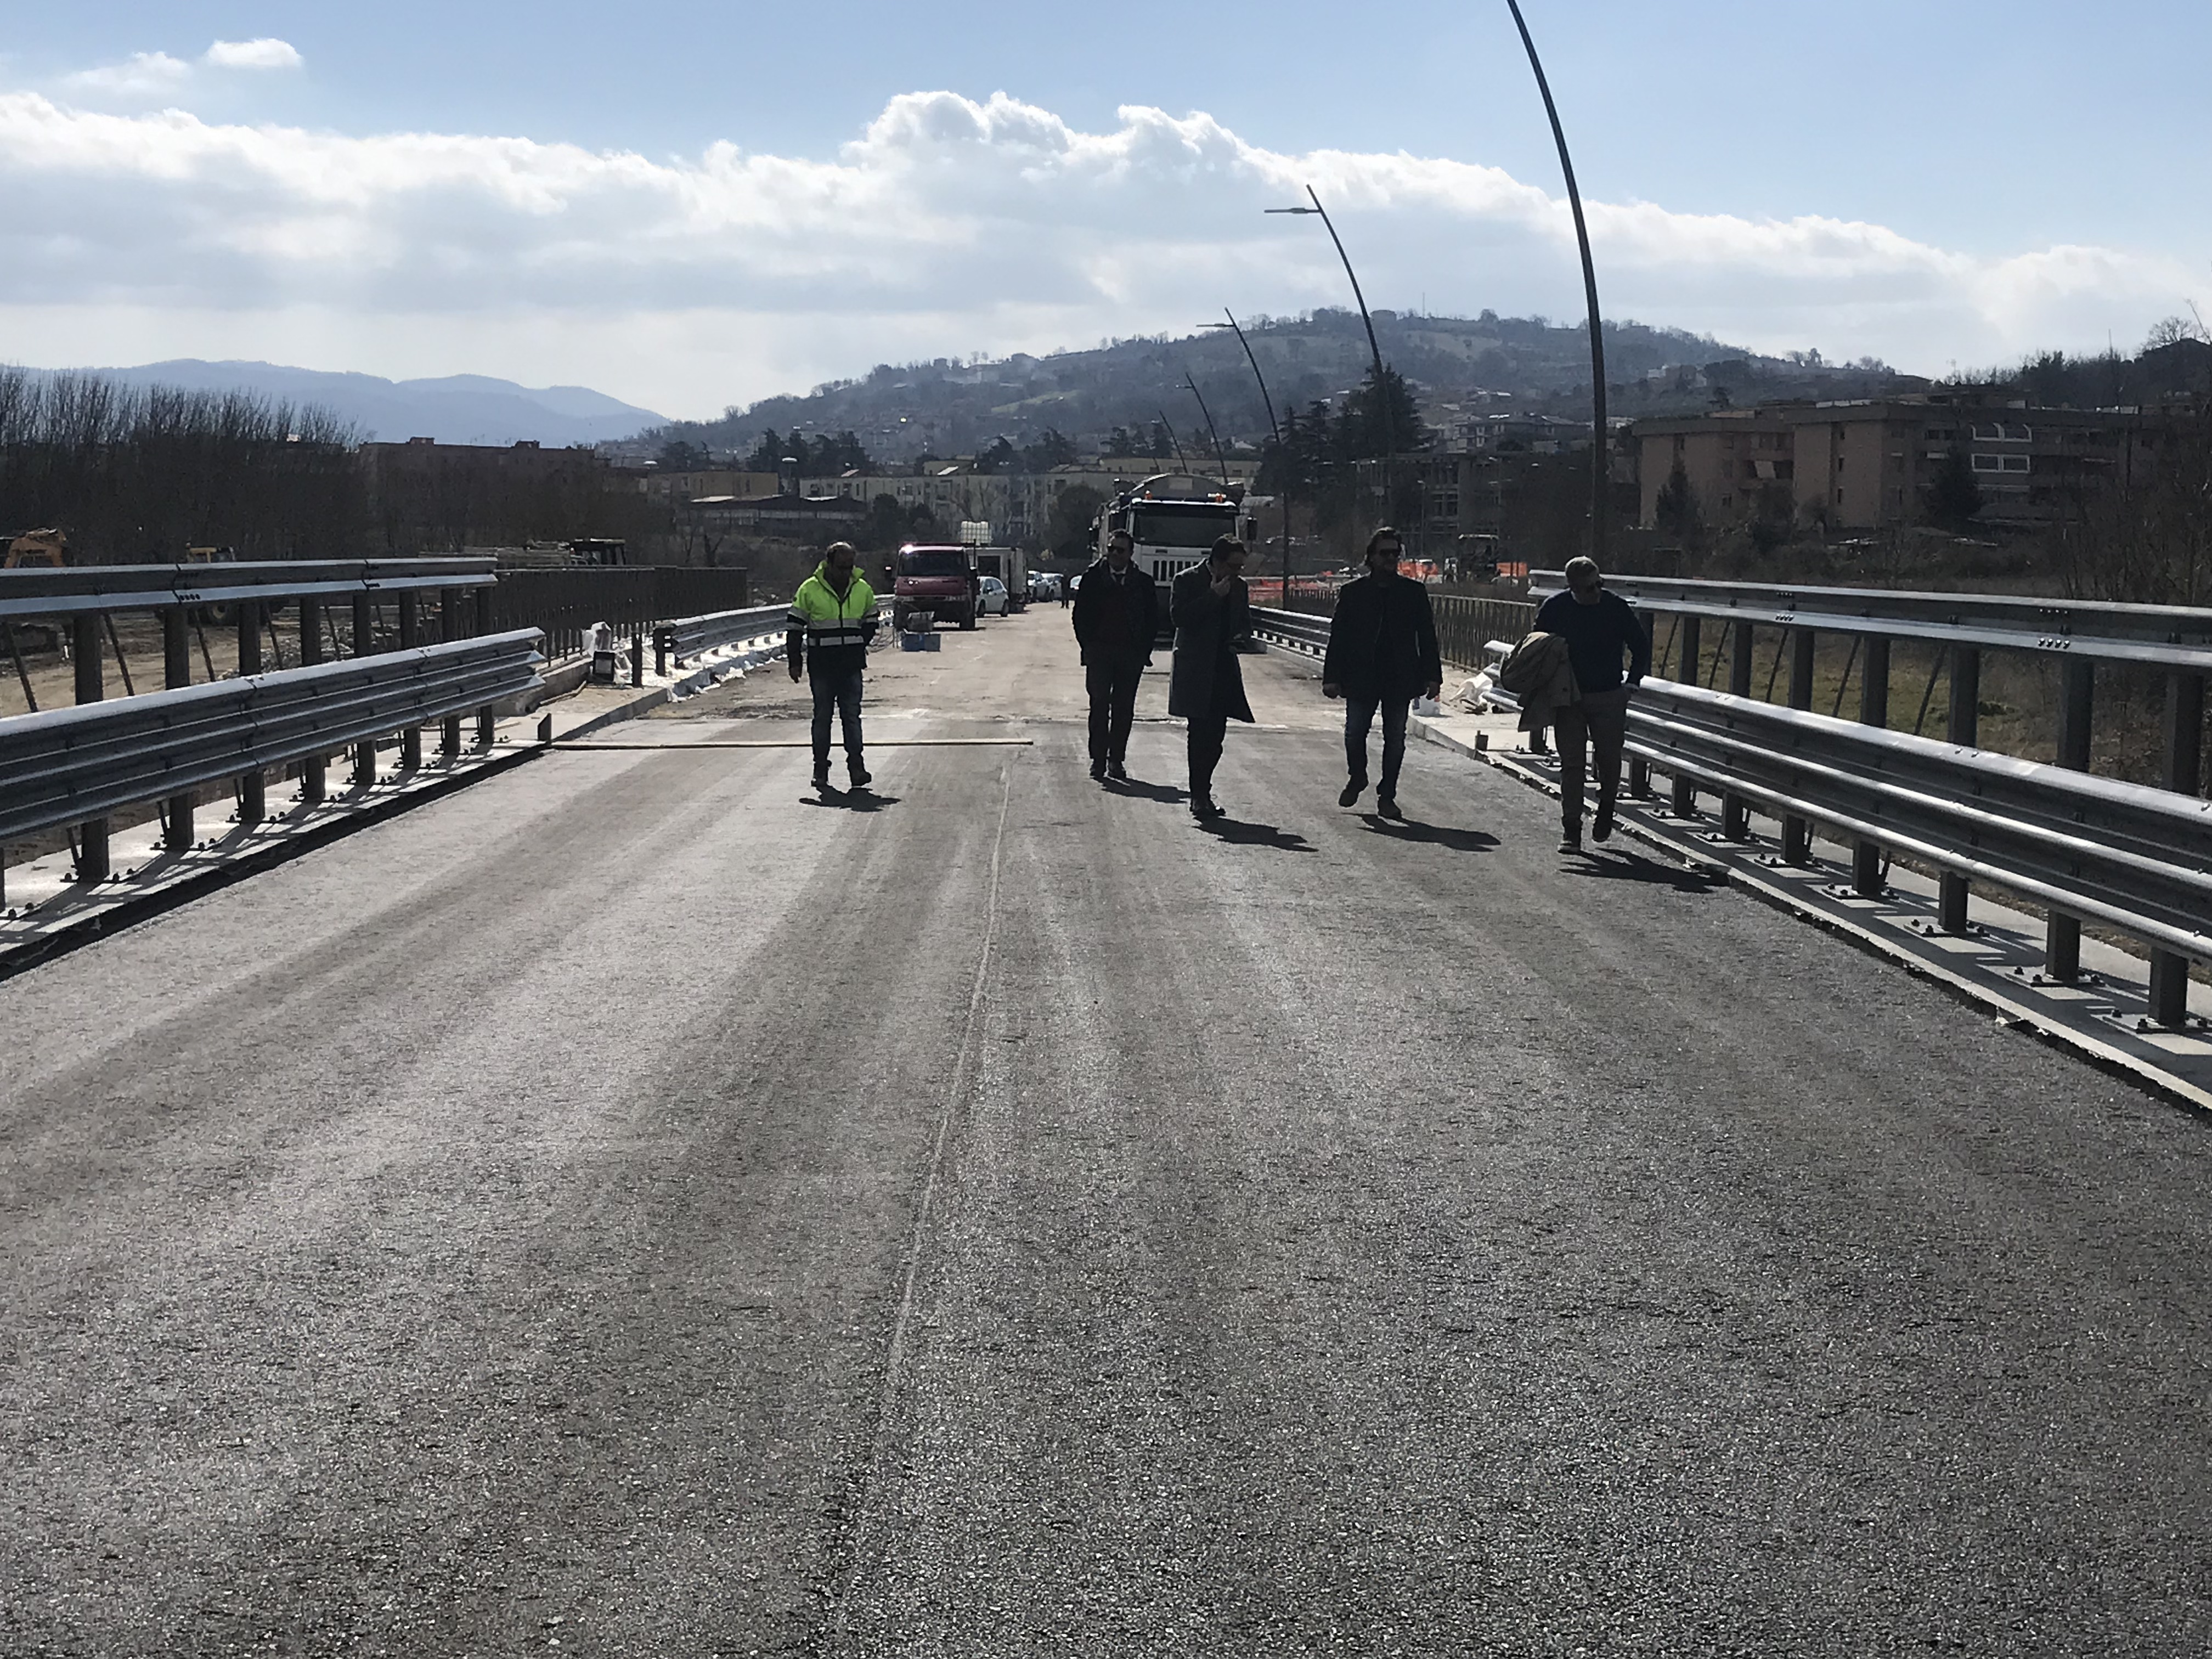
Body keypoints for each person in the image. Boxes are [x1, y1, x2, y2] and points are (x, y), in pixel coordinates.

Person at [1322, 526, 1442, 819]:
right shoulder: (1354, 593)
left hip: (1400, 677)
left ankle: (1387, 795)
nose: (1391, 558)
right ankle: (1358, 776)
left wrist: (1433, 676)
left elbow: (1426, 636)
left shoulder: (1413, 593)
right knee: (1354, 734)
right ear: (1372, 557)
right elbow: (1339, 637)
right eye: (1385, 553)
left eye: (1395, 553)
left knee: (1396, 739)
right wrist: (1332, 677)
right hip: (1361, 676)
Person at [1533, 554, 1650, 853]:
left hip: (1610, 694)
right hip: (1569, 696)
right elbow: (1536, 646)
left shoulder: (1615, 607)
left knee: (1609, 761)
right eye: (1587, 588)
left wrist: (1632, 684)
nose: (1595, 592)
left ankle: (1607, 807)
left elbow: (1640, 646)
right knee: (1572, 764)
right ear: (1572, 588)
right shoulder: (1555, 609)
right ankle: (1571, 829)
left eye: (1598, 585)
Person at [1169, 534, 1255, 820]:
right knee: (1199, 734)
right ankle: (1199, 795)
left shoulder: (1240, 588)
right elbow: (1179, 618)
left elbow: (1244, 623)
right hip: (1196, 669)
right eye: (1233, 566)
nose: (1237, 572)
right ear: (1217, 562)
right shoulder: (1187, 580)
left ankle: (1204, 789)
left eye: (1241, 567)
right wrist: (1212, 597)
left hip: (1223, 668)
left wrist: (1242, 638)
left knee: (1216, 737)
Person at [786, 540, 882, 792]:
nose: (846, 572)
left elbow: (872, 620)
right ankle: (820, 770)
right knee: (823, 718)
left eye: (850, 567)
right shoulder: (809, 590)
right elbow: (794, 628)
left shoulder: (862, 589)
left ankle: (857, 769)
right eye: (841, 567)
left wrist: (860, 641)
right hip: (823, 666)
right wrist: (795, 662)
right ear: (829, 564)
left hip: (851, 666)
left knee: (852, 718)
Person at [1071, 528, 1158, 781]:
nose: (1114, 554)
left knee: (1123, 708)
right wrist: (1087, 645)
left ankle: (1116, 760)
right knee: (1099, 704)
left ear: (1131, 554)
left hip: (1130, 654)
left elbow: (1152, 618)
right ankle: (1098, 760)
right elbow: (1079, 616)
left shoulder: (1142, 583)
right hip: (1099, 652)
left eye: (1120, 550)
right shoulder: (1093, 578)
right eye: (1111, 549)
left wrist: (1144, 650)